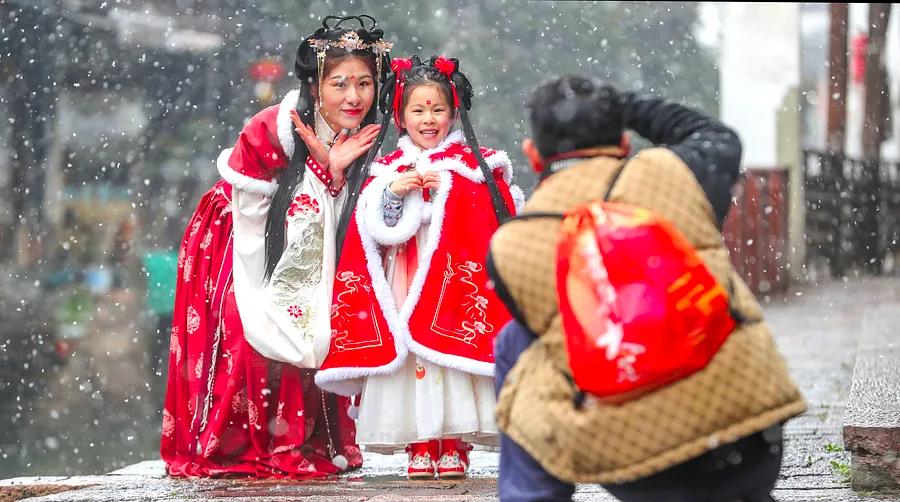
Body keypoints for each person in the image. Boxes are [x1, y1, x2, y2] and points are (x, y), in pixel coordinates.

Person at [487, 77, 806, 501]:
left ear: (532, 154)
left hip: (634, 462)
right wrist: (626, 105)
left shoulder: (512, 243)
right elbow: (715, 135)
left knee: (516, 342)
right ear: (623, 141)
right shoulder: (676, 173)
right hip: (748, 438)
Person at [160, 15, 393, 478]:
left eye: (365, 84)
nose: (354, 97)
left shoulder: (364, 133)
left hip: (316, 251)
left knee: (325, 325)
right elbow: (262, 216)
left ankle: (314, 440)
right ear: (315, 84)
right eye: (340, 83)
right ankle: (253, 442)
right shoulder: (273, 128)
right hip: (239, 243)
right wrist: (328, 171)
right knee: (257, 333)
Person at [314, 56, 524, 480]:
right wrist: (395, 193)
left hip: (453, 282)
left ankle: (454, 443)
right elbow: (375, 229)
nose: (429, 120)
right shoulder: (386, 169)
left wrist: (449, 189)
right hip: (405, 278)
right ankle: (420, 442)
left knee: (452, 360)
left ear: (453, 112)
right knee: (411, 360)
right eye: (418, 110)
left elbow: (492, 221)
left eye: (438, 109)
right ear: (401, 115)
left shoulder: (477, 167)